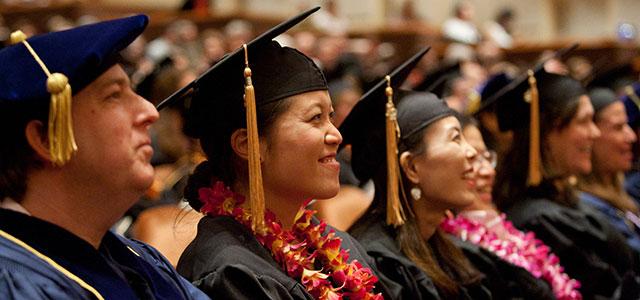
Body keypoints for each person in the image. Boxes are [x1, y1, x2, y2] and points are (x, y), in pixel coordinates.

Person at [157, 7, 387, 299]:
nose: (336, 135)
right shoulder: (231, 273)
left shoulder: (336, 245)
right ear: (248, 144)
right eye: (315, 118)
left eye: (330, 116)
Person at [0, 15, 208, 299]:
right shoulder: (13, 282)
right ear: (45, 139)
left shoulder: (139, 259)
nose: (150, 112)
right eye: (113, 96)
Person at [492, 65, 640, 298]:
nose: (594, 133)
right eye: (584, 121)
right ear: (548, 134)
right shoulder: (540, 220)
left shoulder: (567, 202)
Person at [442, 114, 582, 300]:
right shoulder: (459, 253)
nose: (489, 171)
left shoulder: (504, 229)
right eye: (472, 160)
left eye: (486, 157)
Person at [577, 88, 640, 252]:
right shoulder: (587, 210)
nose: (631, 136)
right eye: (619, 127)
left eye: (627, 124)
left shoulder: (624, 194)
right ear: (591, 135)